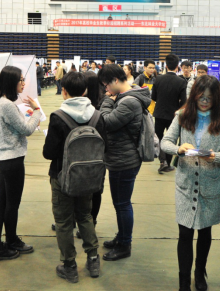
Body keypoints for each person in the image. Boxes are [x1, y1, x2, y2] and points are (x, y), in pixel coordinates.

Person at [161, 76, 220, 291]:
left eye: (209, 98)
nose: (205, 101)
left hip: (211, 183)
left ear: (216, 98)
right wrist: (179, 149)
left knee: (205, 232)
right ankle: (183, 280)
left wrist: (216, 157)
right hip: (186, 183)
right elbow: (165, 142)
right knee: (185, 233)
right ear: (194, 96)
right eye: (201, 97)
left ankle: (200, 273)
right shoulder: (182, 115)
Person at [43, 72, 107, 283]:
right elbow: (104, 147)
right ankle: (93, 259)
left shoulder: (58, 117)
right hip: (88, 177)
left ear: (64, 91)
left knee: (63, 221)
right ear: (85, 91)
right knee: (85, 216)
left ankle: (69, 265)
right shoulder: (97, 116)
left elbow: (48, 153)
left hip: (62, 177)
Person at [97, 64, 151, 261]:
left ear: (116, 81)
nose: (106, 89)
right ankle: (121, 237)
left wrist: (106, 102)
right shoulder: (128, 96)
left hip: (124, 160)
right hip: (123, 156)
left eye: (106, 85)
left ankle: (125, 244)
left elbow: (106, 122)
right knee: (120, 203)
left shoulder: (129, 102)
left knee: (122, 204)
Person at [0, 66, 42, 262]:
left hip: (7, 159)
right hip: (12, 160)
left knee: (2, 203)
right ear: (11, 81)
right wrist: (37, 111)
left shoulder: (3, 102)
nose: (23, 83)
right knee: (11, 204)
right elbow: (26, 129)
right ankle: (8, 241)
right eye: (20, 80)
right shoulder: (7, 105)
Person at [152, 54, 188, 174]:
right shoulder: (181, 81)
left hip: (159, 113)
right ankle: (168, 162)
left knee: (159, 137)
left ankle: (162, 161)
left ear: (166, 66)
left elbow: (153, 97)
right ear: (178, 66)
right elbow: (184, 101)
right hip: (173, 115)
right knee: (171, 138)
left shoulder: (158, 79)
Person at [83, 71, 106, 229]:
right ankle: (91, 221)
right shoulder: (104, 101)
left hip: (82, 152)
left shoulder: (99, 104)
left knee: (78, 187)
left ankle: (78, 220)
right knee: (96, 189)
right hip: (98, 154)